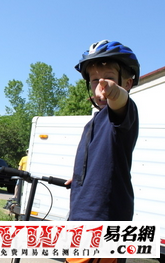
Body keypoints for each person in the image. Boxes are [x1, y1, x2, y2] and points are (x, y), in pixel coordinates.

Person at [67, 40, 140, 263]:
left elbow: (120, 100)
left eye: (107, 77)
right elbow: (100, 158)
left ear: (127, 83)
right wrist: (79, 179)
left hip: (104, 220)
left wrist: (113, 91)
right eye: (95, 80)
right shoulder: (94, 121)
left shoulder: (123, 113)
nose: (100, 84)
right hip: (82, 217)